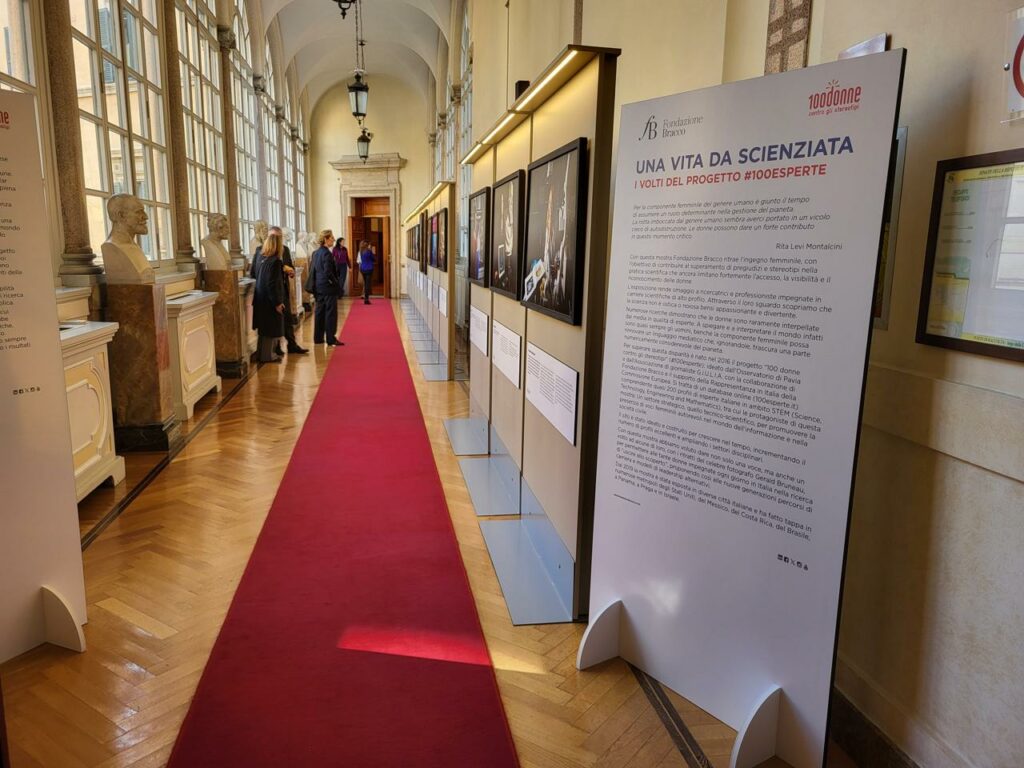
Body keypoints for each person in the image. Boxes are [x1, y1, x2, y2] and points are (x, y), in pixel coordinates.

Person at [251, 226, 308, 354]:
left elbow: (290, 266)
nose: (277, 240)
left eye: (279, 237)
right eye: (274, 237)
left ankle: (292, 345)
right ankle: (275, 349)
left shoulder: (285, 249)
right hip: (269, 293)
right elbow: (254, 272)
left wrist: (290, 272)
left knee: (287, 319)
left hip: (282, 289)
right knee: (273, 321)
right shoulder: (260, 250)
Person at [252, 231, 287, 363]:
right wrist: (277, 303)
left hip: (261, 299)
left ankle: (261, 355)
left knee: (264, 330)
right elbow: (272, 284)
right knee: (271, 329)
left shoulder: (263, 260)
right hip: (269, 301)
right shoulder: (275, 261)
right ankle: (268, 356)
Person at [311, 229, 343, 345]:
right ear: (325, 239)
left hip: (319, 287)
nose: (333, 240)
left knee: (319, 312)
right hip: (328, 288)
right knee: (330, 313)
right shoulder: (327, 254)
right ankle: (330, 338)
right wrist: (337, 284)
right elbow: (328, 272)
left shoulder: (316, 253)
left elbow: (313, 271)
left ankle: (318, 338)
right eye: (331, 238)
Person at [358, 240, 376, 305]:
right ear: (367, 245)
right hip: (369, 268)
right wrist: (373, 253)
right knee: (368, 284)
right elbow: (374, 259)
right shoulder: (369, 251)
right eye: (369, 245)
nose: (370, 246)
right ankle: (366, 299)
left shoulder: (361, 251)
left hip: (362, 268)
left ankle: (366, 298)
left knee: (366, 283)